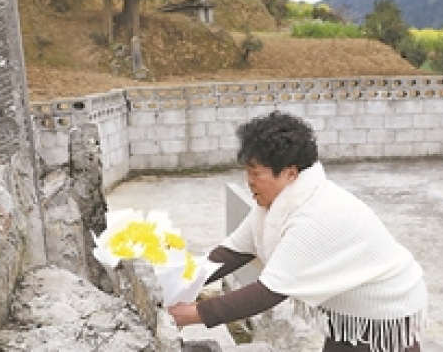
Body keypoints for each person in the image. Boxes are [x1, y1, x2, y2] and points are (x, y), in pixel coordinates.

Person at [169, 111, 427, 352]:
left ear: (290, 173)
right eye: (247, 172)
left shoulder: (314, 215)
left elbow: (268, 292)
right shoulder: (275, 206)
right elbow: (233, 251)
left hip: (386, 312)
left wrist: (192, 314)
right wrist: (179, 279)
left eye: (256, 173)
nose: (249, 182)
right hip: (347, 311)